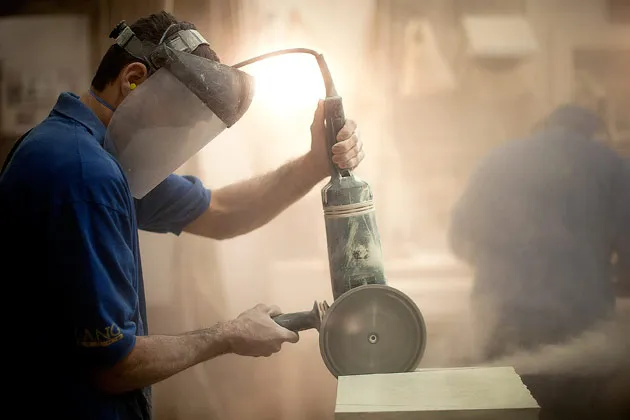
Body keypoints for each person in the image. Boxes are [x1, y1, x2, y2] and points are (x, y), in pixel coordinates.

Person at [0, 11, 364, 420]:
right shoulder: (85, 174)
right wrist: (228, 335)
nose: (178, 139)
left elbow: (223, 213)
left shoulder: (95, 155)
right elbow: (113, 365)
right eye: (178, 120)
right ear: (133, 79)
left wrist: (316, 163)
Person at [448, 96, 630, 417]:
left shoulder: (498, 159)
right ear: (592, 132)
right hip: (580, 322)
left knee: (507, 409)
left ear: (543, 126)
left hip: (501, 316)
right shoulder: (612, 166)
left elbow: (459, 238)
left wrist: (500, 269)